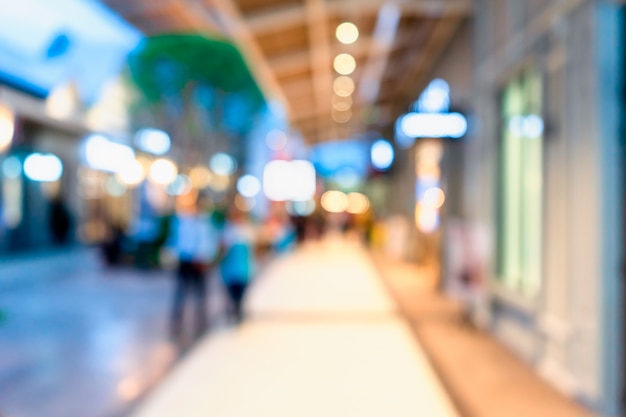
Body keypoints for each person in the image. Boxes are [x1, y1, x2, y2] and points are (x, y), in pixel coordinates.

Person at [168, 198, 218, 337]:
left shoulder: (205, 222)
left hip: (200, 262)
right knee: (181, 294)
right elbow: (177, 240)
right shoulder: (182, 221)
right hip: (186, 260)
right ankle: (177, 322)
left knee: (200, 294)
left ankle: (201, 321)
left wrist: (206, 258)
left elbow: (210, 241)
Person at [219, 205, 257, 324]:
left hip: (242, 269)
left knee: (240, 295)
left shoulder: (245, 231)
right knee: (234, 295)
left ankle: (238, 312)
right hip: (233, 270)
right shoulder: (228, 231)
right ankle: (236, 312)